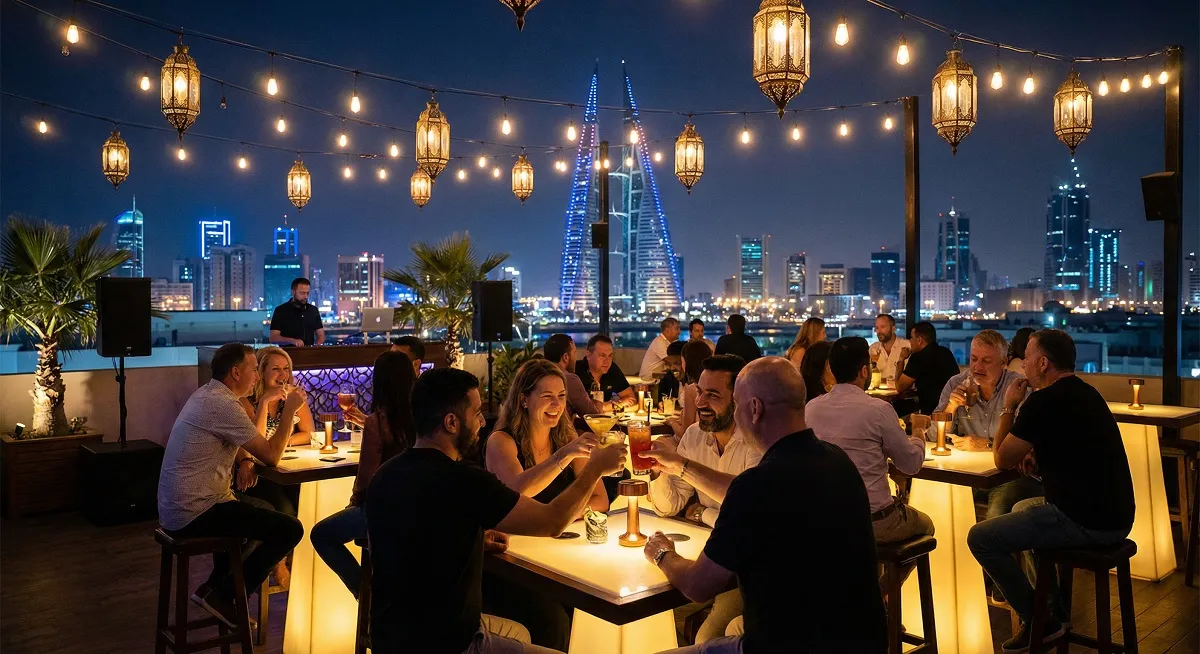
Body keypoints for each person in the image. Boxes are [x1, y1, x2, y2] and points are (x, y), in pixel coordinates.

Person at [365, 367, 626, 653]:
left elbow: (417, 541)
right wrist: (597, 468)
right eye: (476, 413)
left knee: (535, 627)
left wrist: (473, 539)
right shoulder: (463, 479)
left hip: (389, 641)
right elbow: (552, 522)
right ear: (452, 422)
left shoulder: (386, 475)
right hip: (453, 644)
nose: (481, 422)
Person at [647, 357, 886, 653]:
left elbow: (698, 586)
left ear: (755, 409)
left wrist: (661, 553)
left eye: (736, 403)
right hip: (865, 641)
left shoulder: (757, 484)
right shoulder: (839, 461)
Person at [968, 330, 1134, 653]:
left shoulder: (1043, 401)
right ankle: (1054, 613)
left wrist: (1009, 406)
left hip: (1085, 521)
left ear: (1043, 363)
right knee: (1021, 508)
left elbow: (1001, 458)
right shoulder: (1087, 394)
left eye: (1028, 356)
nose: (1024, 362)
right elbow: (1075, 452)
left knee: (980, 538)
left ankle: (1038, 619)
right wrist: (1038, 461)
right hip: (1119, 516)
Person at [158, 343, 305, 628]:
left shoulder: (208, 394)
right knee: (289, 528)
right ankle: (226, 598)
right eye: (254, 370)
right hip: (195, 511)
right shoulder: (223, 405)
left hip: (182, 507)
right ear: (236, 372)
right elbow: (271, 456)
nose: (257, 378)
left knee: (260, 510)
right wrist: (290, 411)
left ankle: (211, 590)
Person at [484, 359, 612, 648]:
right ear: (524, 400)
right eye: (547, 396)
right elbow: (517, 491)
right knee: (553, 618)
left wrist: (559, 518)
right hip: (510, 561)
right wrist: (562, 457)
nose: (556, 404)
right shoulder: (501, 442)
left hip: (558, 552)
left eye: (562, 397)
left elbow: (600, 498)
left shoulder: (567, 438)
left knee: (595, 599)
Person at [642, 354, 757, 644]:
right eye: (700, 392)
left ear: (740, 398)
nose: (701, 402)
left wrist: (702, 513)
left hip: (745, 570)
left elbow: (749, 508)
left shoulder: (757, 441)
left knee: (708, 638)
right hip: (706, 553)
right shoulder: (694, 436)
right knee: (655, 619)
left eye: (713, 395)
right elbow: (671, 507)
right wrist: (657, 472)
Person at [806, 337, 932, 585]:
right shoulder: (878, 410)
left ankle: (870, 603)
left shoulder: (811, 408)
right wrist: (918, 434)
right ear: (865, 370)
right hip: (874, 522)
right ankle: (881, 597)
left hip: (827, 520)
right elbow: (910, 465)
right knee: (926, 526)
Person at [310, 350, 415, 597]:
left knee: (322, 535)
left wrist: (353, 503)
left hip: (385, 513)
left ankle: (367, 593)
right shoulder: (423, 417)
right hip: (418, 510)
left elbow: (367, 478)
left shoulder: (378, 421)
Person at [930, 330, 1042, 522]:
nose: (977, 367)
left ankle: (988, 550)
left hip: (1009, 476)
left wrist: (988, 444)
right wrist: (952, 405)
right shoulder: (956, 383)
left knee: (994, 517)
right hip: (968, 474)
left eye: (986, 361)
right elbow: (933, 436)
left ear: (1003, 363)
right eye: (974, 359)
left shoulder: (1019, 388)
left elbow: (1029, 447)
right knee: (937, 502)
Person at [234, 345, 317, 588]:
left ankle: (302, 562)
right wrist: (265, 405)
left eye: (287, 369)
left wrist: (281, 442)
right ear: (260, 371)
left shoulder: (292, 399)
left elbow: (308, 434)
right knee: (284, 508)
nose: (283, 375)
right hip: (254, 474)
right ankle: (279, 563)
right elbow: (254, 443)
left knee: (305, 499)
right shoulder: (246, 401)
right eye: (276, 369)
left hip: (281, 470)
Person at [896, 321, 961, 416]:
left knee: (901, 415)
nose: (910, 341)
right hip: (953, 409)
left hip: (930, 412)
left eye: (911, 337)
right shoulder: (946, 352)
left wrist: (901, 359)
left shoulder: (918, 357)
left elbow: (899, 387)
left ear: (919, 340)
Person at [543, 333, 606, 418]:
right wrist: (597, 390)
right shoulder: (569, 379)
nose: (575, 358)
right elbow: (594, 417)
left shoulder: (536, 375)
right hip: (560, 431)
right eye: (574, 353)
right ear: (565, 357)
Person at [575, 334, 636, 406]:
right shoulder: (576, 371)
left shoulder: (612, 369)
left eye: (610, 356)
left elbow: (632, 399)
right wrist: (615, 405)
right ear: (588, 355)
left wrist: (610, 406)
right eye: (602, 355)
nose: (607, 361)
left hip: (607, 416)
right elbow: (581, 407)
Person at [269, 277, 324, 347]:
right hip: (288, 355)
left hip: (310, 354)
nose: (306, 296)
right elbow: (273, 338)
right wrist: (293, 341)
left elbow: (321, 335)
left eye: (307, 293)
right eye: (302, 293)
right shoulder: (280, 310)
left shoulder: (313, 310)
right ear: (293, 292)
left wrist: (317, 347)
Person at [675, 339, 714, 433]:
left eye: (682, 361)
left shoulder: (693, 389)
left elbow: (684, 433)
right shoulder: (717, 386)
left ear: (687, 362)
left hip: (698, 442)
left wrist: (671, 422)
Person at [868, 314, 910, 384]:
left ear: (893, 329)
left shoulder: (907, 346)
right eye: (877, 328)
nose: (879, 331)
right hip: (879, 392)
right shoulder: (873, 348)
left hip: (904, 393)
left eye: (882, 327)